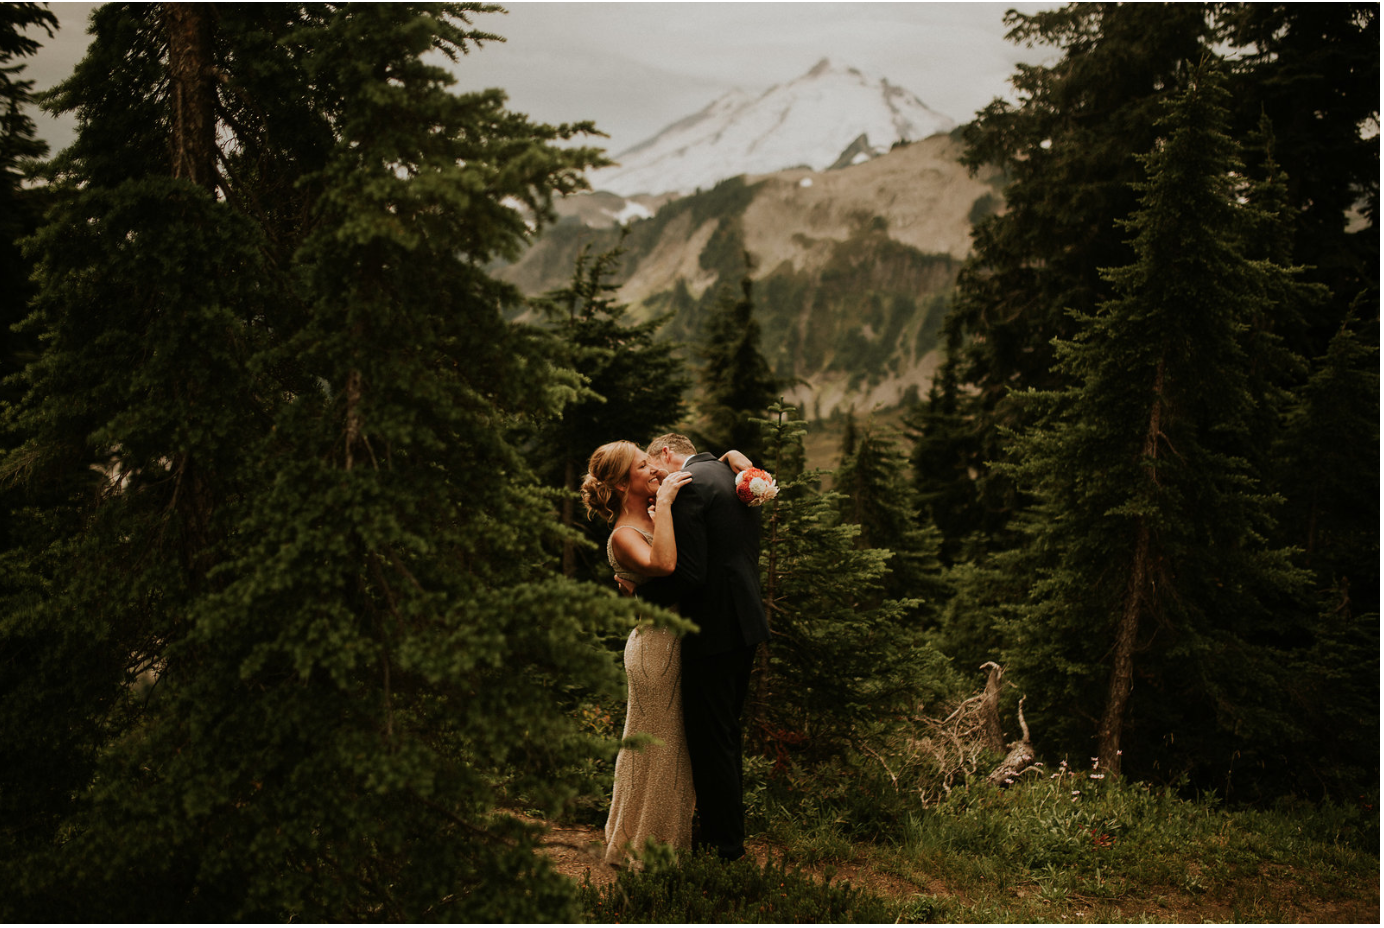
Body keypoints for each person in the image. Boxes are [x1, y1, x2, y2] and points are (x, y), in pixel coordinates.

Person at [637, 433, 770, 862]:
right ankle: (726, 837)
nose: (657, 481)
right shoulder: (735, 476)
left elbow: (689, 574)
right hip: (746, 622)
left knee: (712, 741)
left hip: (712, 629)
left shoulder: (691, 483)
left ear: (666, 453)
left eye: (655, 470)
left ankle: (722, 849)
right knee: (726, 735)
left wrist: (640, 598)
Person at [580, 440, 695, 867]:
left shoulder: (648, 517)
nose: (653, 469)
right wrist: (664, 504)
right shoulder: (625, 535)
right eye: (642, 465)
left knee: (665, 753)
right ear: (623, 483)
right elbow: (664, 565)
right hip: (656, 652)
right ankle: (648, 853)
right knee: (658, 754)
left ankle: (643, 842)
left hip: (671, 642)